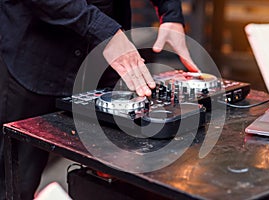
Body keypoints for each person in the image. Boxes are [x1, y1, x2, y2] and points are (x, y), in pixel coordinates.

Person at [0, 0, 200, 199]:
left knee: (115, 177)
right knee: (17, 185)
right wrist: (104, 32)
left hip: (105, 64)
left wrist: (171, 13)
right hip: (36, 57)